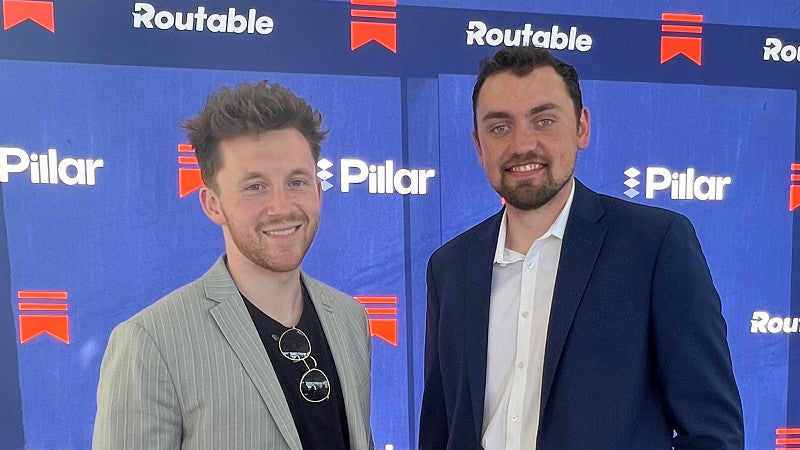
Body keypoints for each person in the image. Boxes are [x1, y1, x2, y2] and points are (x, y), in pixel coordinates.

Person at [418, 46, 744, 449]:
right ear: (478, 145)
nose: (523, 144)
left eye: (544, 120)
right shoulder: (449, 267)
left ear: (581, 128)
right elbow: (438, 430)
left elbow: (712, 433)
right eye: (500, 127)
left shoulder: (656, 244)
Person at [93, 81, 373, 450]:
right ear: (212, 204)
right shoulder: (150, 343)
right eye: (255, 187)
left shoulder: (350, 319)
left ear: (319, 192)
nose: (281, 207)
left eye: (297, 181)